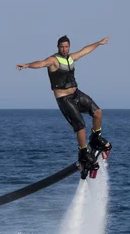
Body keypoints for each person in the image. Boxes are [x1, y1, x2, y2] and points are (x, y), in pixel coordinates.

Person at [17, 35, 112, 168]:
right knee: (80, 126)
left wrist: (99, 43)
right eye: (62, 46)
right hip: (64, 98)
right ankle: (83, 152)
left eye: (66, 46)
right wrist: (27, 65)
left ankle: (95, 138)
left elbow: (86, 50)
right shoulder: (53, 60)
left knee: (98, 112)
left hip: (76, 94)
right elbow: (41, 63)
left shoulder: (72, 58)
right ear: (58, 47)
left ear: (69, 47)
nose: (64, 49)